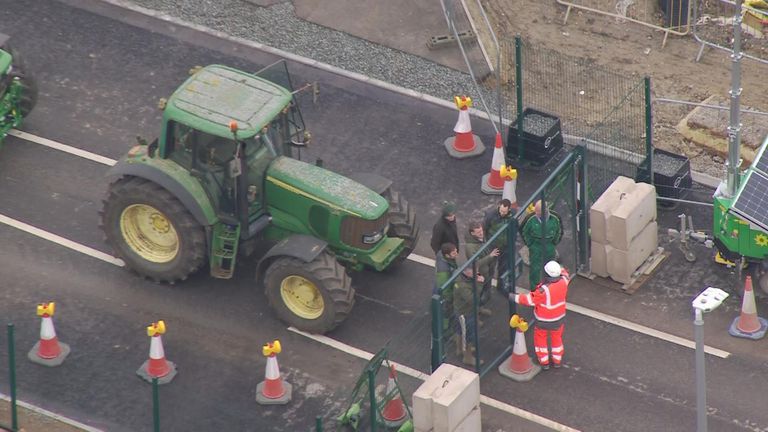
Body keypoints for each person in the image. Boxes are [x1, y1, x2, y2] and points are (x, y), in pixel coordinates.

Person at [510, 260, 570, 369]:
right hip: (559, 319)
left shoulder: (544, 290)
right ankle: (557, 360)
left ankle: (544, 362)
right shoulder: (564, 281)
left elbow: (529, 300)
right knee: (557, 338)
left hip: (543, 321)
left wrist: (514, 297)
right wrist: (560, 268)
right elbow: (565, 273)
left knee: (540, 339)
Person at [520, 200, 563, 290]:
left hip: (549, 246)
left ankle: (550, 289)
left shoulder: (555, 218)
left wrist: (554, 243)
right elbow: (524, 232)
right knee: (535, 270)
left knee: (550, 268)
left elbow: (560, 231)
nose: (535, 213)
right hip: (536, 247)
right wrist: (530, 244)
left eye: (538, 212)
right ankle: (534, 292)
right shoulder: (530, 219)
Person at [464, 221, 500, 316]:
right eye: (478, 232)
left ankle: (480, 308)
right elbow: (475, 263)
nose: (481, 233)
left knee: (483, 292)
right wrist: (490, 256)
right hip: (479, 275)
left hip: (486, 271)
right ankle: (475, 315)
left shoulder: (480, 238)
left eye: (481, 231)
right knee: (477, 295)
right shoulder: (470, 247)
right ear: (472, 233)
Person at [453, 268, 486, 366]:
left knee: (460, 331)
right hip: (466, 313)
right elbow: (473, 300)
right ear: (466, 273)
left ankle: (459, 349)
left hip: (460, 311)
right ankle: (467, 357)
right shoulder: (463, 287)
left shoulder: (460, 279)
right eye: (473, 271)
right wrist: (479, 284)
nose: (477, 273)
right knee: (469, 335)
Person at [483, 199, 513, 290]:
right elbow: (484, 229)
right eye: (501, 211)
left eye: (505, 211)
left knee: (503, 268)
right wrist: (488, 244)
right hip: (493, 247)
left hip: (505, 247)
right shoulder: (491, 216)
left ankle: (500, 286)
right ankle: (487, 288)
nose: (502, 213)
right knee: (490, 269)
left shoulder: (512, 216)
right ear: (499, 206)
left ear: (509, 210)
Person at [434, 242, 459, 334]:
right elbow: (444, 287)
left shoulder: (444, 258)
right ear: (447, 255)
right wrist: (450, 297)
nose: (456, 254)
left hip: (444, 290)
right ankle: (445, 331)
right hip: (445, 295)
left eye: (456, 251)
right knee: (446, 312)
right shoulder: (443, 271)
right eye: (454, 253)